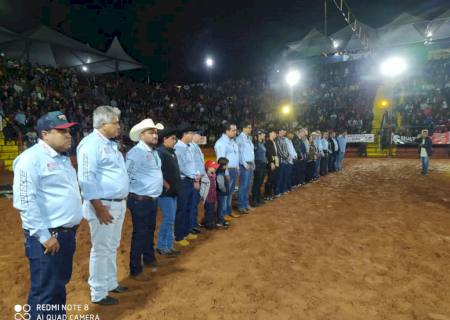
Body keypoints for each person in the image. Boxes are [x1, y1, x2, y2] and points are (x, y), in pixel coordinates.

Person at [13, 111, 81, 320]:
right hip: (48, 237)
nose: (68, 135)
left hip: (65, 234)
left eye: (68, 130)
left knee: (57, 287)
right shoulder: (30, 159)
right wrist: (44, 236)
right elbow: (25, 202)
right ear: (45, 134)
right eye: (61, 131)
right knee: (45, 293)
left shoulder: (61, 158)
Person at [77, 106, 129, 306]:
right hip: (103, 205)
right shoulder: (90, 144)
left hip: (116, 203)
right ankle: (98, 292)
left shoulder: (108, 143)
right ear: (103, 124)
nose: (118, 126)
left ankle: (110, 283)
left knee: (112, 246)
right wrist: (99, 207)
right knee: (101, 249)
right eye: (115, 122)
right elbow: (86, 179)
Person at [126, 119, 164, 281]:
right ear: (142, 135)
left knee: (149, 230)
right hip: (140, 199)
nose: (155, 135)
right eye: (151, 132)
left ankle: (149, 258)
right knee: (140, 233)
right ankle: (135, 268)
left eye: (155, 132)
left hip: (151, 198)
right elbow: (127, 175)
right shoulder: (136, 153)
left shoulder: (153, 151)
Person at [156, 127, 182, 256]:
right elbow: (157, 171)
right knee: (169, 219)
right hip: (165, 192)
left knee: (171, 219)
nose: (175, 141)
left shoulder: (170, 151)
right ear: (164, 139)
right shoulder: (160, 152)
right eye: (172, 138)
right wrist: (166, 185)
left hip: (172, 191)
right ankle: (162, 246)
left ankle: (169, 245)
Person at [174, 124, 200, 246]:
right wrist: (194, 175)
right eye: (191, 133)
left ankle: (186, 231)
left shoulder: (188, 147)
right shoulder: (178, 148)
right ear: (184, 134)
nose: (193, 135)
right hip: (184, 181)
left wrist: (196, 174)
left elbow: (192, 164)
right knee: (182, 209)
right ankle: (179, 236)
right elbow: (181, 167)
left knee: (189, 207)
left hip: (190, 179)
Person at [214, 123, 240, 220]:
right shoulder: (221, 143)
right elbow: (220, 160)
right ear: (227, 131)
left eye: (235, 130)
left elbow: (236, 156)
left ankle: (228, 211)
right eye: (233, 130)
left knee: (230, 192)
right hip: (226, 171)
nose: (235, 132)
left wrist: (237, 167)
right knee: (224, 194)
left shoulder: (232, 142)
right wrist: (226, 173)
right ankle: (223, 214)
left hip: (233, 169)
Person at [189, 130, 206, 233]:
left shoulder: (196, 147)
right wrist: (196, 178)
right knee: (192, 203)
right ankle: (191, 226)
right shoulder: (190, 147)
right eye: (199, 135)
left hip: (198, 178)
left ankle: (193, 223)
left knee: (195, 203)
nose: (200, 137)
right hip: (194, 179)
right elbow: (191, 164)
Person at [236, 122, 255, 213]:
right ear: (244, 128)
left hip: (250, 163)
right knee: (243, 186)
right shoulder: (240, 138)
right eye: (249, 127)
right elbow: (239, 152)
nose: (250, 129)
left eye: (250, 127)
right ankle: (241, 205)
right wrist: (244, 164)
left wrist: (253, 162)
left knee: (248, 185)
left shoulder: (249, 138)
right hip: (245, 165)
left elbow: (251, 152)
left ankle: (246, 204)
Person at [201, 160, 220, 228]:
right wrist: (202, 196)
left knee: (212, 210)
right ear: (208, 168)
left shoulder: (213, 175)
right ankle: (208, 224)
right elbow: (203, 188)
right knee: (208, 210)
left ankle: (209, 221)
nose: (215, 169)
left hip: (213, 196)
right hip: (208, 198)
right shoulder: (204, 178)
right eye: (214, 168)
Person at [252, 129, 266, 207]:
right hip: (258, 164)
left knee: (260, 183)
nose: (264, 135)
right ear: (259, 135)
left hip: (263, 164)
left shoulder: (262, 143)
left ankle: (258, 198)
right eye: (263, 134)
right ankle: (254, 200)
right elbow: (253, 154)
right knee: (257, 183)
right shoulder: (256, 144)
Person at [216, 157, 230, 228]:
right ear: (224, 165)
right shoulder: (220, 173)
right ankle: (220, 221)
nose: (228, 166)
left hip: (222, 193)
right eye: (227, 164)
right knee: (221, 206)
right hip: (221, 193)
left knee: (222, 206)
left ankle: (221, 219)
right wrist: (224, 190)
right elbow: (220, 185)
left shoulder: (222, 171)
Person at [265, 129, 279, 200]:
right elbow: (268, 153)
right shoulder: (268, 142)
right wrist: (271, 162)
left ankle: (271, 193)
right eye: (273, 133)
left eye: (275, 133)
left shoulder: (274, 142)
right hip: (271, 162)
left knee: (273, 178)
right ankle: (267, 194)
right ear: (270, 133)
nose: (275, 134)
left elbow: (275, 153)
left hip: (275, 161)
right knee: (270, 178)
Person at [275, 128, 289, 196]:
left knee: (284, 176)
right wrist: (286, 157)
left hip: (285, 160)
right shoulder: (277, 139)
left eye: (285, 131)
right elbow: (279, 151)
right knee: (279, 176)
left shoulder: (284, 139)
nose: (285, 132)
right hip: (280, 160)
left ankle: (283, 190)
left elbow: (286, 149)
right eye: (283, 131)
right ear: (280, 131)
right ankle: (277, 191)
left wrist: (287, 155)